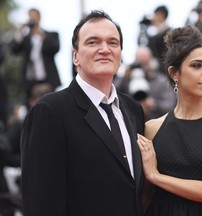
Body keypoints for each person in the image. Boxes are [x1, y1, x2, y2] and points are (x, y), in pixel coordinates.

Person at [20, 10, 145, 216]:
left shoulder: (133, 109)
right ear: (75, 56)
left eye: (112, 43)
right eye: (93, 42)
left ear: (121, 56)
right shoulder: (49, 111)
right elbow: (40, 203)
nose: (104, 49)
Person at [137, 25, 202, 215]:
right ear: (174, 73)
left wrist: (156, 176)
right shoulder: (152, 128)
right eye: (197, 65)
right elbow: (145, 195)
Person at [10, 8, 61, 108]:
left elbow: (55, 48)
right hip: (30, 81)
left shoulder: (51, 35)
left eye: (34, 16)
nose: (32, 19)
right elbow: (14, 49)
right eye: (30, 16)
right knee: (32, 109)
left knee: (51, 106)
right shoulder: (25, 39)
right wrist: (19, 32)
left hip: (47, 80)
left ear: (39, 18)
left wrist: (41, 35)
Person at [114, 46, 176, 120]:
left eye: (145, 63)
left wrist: (154, 104)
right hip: (133, 124)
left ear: (151, 61)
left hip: (157, 125)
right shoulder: (127, 79)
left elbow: (170, 105)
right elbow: (112, 93)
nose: (143, 67)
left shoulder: (161, 81)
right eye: (140, 63)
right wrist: (124, 77)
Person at [138, 5, 171, 73]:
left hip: (165, 71)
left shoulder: (169, 32)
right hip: (157, 71)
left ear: (160, 15)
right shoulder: (154, 36)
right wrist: (143, 28)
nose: (153, 18)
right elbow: (141, 45)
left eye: (155, 15)